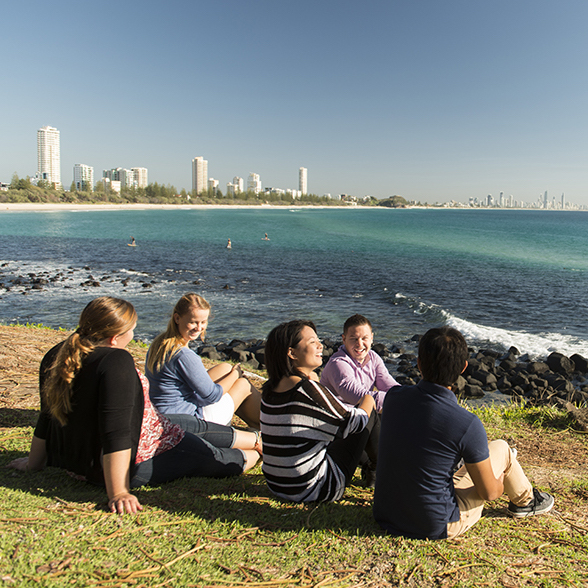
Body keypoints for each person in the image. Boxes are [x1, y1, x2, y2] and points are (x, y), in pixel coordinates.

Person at [8, 297, 260, 514]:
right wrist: (118, 491)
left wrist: (34, 462)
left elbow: (47, 415)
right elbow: (115, 432)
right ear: (116, 337)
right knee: (221, 458)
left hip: (156, 424)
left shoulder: (57, 354)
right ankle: (262, 452)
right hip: (146, 452)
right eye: (133, 330)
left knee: (201, 428)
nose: (134, 335)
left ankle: (263, 439)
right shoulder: (115, 362)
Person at [373, 326, 555, 540]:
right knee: (503, 451)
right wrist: (500, 478)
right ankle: (526, 501)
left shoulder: (393, 397)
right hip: (434, 524)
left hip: (385, 513)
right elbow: (490, 493)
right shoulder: (466, 423)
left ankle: (525, 496)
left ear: (419, 363)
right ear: (463, 368)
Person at [260, 320, 377, 503]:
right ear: (292, 353)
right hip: (318, 489)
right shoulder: (306, 389)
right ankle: (377, 472)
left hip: (277, 485)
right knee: (369, 414)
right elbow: (354, 423)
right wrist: (369, 398)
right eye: (312, 341)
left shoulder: (271, 388)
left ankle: (371, 467)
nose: (320, 345)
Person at [146, 293, 261, 430]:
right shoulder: (183, 355)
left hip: (167, 413)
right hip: (189, 421)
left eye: (203, 322)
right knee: (242, 384)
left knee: (224, 367)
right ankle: (266, 424)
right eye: (193, 322)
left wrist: (229, 374)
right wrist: (236, 374)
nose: (199, 328)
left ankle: (255, 425)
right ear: (177, 318)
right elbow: (211, 396)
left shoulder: (161, 343)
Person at [320, 314, 395, 487]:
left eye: (364, 338)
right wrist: (402, 401)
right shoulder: (338, 364)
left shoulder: (373, 358)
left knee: (391, 422)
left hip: (360, 423)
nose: (360, 344)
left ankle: (378, 464)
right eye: (354, 339)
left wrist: (410, 396)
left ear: (372, 338)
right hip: (337, 428)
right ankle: (375, 468)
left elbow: (390, 385)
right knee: (373, 413)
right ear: (344, 339)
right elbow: (356, 395)